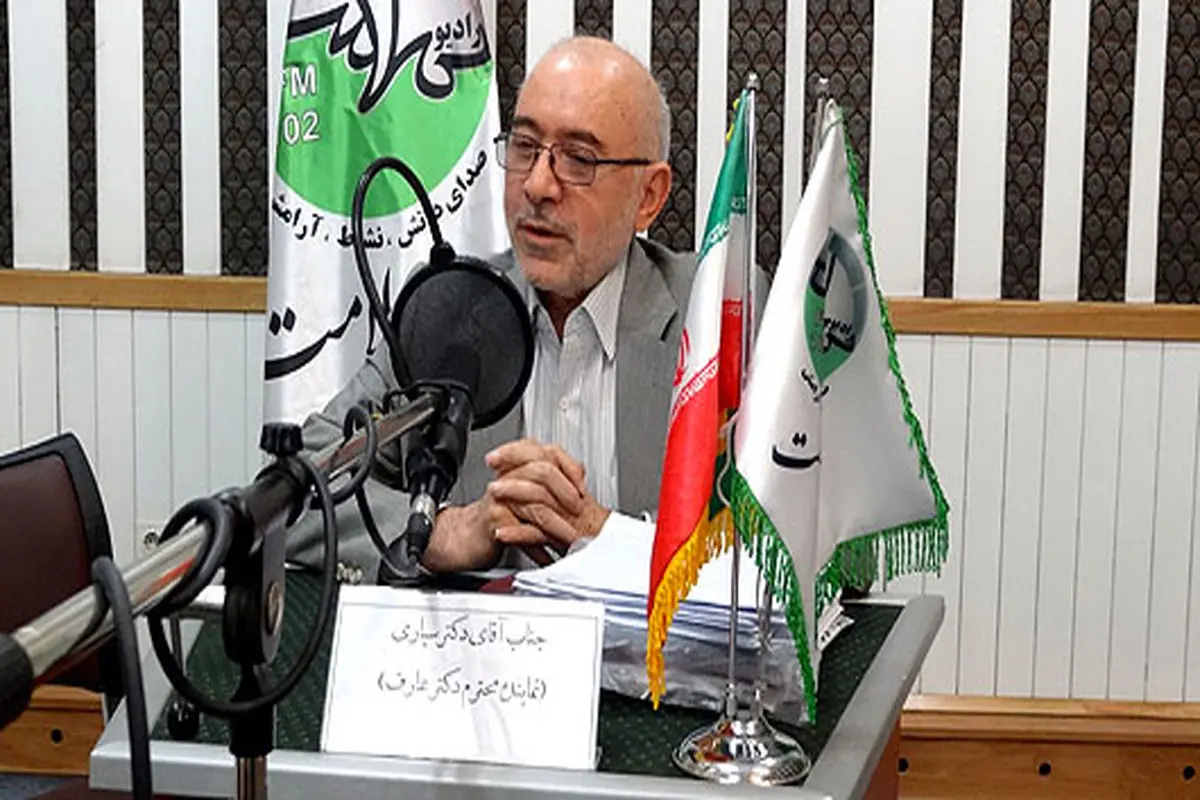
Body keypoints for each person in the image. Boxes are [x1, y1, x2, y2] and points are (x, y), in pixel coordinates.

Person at [289, 36, 741, 579]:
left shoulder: (716, 317)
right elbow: (295, 486)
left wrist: (606, 539)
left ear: (649, 196)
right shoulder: (451, 313)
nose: (538, 185)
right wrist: (442, 532)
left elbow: (793, 533)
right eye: (524, 147)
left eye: (579, 159)